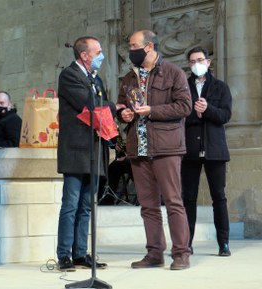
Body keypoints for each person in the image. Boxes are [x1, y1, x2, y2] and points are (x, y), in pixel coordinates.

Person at [117, 30, 192, 270]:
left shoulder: (173, 73)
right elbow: (120, 103)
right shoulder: (129, 77)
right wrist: (123, 114)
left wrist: (152, 110)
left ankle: (181, 253)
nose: (130, 51)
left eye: (133, 46)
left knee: (173, 202)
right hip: (138, 147)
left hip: (166, 147)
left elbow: (184, 107)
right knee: (148, 205)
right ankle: (154, 253)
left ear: (149, 46)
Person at [56, 36, 117, 271]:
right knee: (70, 204)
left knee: (86, 205)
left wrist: (115, 111)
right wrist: (115, 107)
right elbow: (90, 103)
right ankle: (64, 255)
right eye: (98, 51)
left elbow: (102, 107)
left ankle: (80, 253)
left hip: (94, 149)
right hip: (75, 150)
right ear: (85, 55)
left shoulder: (95, 78)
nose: (101, 55)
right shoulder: (70, 75)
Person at [182, 46, 232, 256]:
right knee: (188, 198)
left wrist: (208, 109)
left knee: (218, 197)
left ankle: (224, 243)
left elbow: (225, 116)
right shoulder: (183, 86)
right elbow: (180, 115)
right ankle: (186, 243)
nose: (196, 65)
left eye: (199, 60)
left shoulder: (220, 87)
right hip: (190, 149)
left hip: (214, 149)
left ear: (208, 62)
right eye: (192, 61)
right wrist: (197, 113)